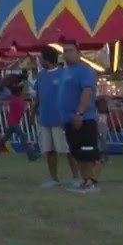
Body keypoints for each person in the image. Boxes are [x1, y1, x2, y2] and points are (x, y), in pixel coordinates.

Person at [58, 40, 101, 194]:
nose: (66, 53)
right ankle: (85, 180)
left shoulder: (85, 70)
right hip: (68, 120)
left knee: (87, 151)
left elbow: (86, 92)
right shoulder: (65, 71)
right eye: (64, 50)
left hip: (84, 119)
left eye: (70, 50)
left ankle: (92, 183)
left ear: (78, 53)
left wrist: (79, 113)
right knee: (76, 152)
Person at [33, 47, 77, 188]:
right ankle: (53, 178)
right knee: (49, 150)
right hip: (45, 118)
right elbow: (38, 95)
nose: (39, 60)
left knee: (68, 150)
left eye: (40, 57)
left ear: (46, 59)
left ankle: (76, 177)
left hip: (61, 119)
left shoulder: (64, 74)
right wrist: (33, 112)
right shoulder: (41, 75)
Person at [0, 74, 37, 161]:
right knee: (23, 137)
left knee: (5, 138)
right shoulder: (17, 100)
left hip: (12, 122)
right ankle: (30, 155)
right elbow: (22, 109)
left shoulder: (14, 99)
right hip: (14, 122)